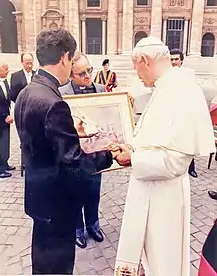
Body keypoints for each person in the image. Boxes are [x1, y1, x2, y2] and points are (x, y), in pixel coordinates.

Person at [14, 29, 119, 274]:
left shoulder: (27, 93)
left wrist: (73, 133)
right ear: (64, 57)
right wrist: (110, 155)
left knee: (42, 263)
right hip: (57, 202)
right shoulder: (54, 102)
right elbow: (74, 162)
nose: (71, 66)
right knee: (58, 268)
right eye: (71, 61)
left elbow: (41, 138)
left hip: (38, 198)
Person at [113, 37, 215, 276]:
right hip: (152, 190)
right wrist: (131, 147)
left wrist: (133, 158)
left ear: (145, 61)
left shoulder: (180, 90)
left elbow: (176, 161)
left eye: (136, 69)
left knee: (161, 264)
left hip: (163, 199)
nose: (137, 76)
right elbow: (154, 140)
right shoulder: (164, 87)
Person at [59, 52, 107, 249]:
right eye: (81, 73)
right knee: (74, 194)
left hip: (96, 154)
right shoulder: (62, 93)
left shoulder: (103, 90)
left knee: (93, 192)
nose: (87, 76)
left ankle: (93, 225)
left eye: (89, 70)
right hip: (74, 155)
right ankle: (77, 229)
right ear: (71, 75)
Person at [170, 48, 198, 178]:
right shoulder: (166, 74)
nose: (174, 62)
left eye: (176, 59)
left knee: (187, 141)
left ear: (181, 61)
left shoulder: (188, 74)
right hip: (171, 113)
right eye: (171, 59)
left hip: (186, 113)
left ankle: (191, 167)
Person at [0, 63, 15, 178]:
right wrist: (4, 116)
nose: (8, 71)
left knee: (5, 142)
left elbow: (8, 99)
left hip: (5, 119)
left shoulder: (5, 81)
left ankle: (4, 163)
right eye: (5, 69)